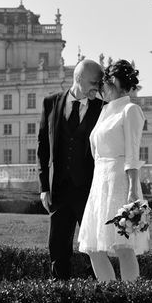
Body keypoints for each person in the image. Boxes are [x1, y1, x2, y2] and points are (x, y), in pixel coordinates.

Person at [78, 59, 148, 282]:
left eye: (103, 85)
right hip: (100, 183)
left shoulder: (130, 110)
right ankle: (111, 296)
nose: (100, 90)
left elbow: (132, 154)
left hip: (120, 182)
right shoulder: (106, 110)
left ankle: (131, 297)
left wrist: (133, 192)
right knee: (93, 247)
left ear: (114, 82)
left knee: (122, 245)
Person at [37, 58, 104, 279]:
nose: (99, 87)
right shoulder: (50, 103)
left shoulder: (101, 109)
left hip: (89, 191)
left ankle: (93, 295)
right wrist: (44, 187)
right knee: (57, 247)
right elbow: (43, 148)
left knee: (92, 249)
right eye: (95, 81)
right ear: (80, 78)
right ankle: (59, 294)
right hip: (59, 190)